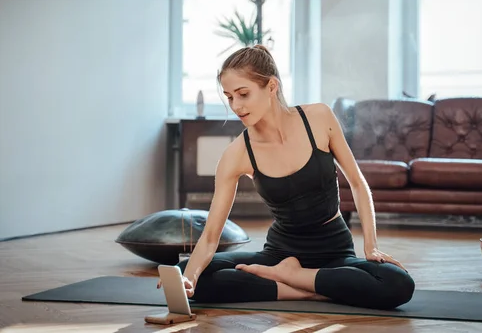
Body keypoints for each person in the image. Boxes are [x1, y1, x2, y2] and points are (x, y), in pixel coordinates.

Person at [160, 45, 415, 310]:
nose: (236, 106)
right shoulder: (236, 154)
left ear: (271, 87)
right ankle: (304, 290)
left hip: (334, 253)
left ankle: (293, 278)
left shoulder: (318, 118)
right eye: (229, 97)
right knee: (186, 269)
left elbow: (358, 184)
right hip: (279, 254)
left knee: (397, 283)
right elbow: (211, 235)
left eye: (243, 94)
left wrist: (371, 247)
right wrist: (188, 279)